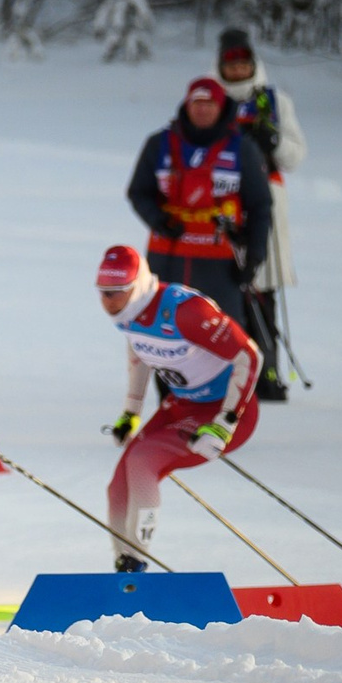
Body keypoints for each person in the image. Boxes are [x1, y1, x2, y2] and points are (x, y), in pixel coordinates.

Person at [94, 243, 260, 568]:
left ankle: (137, 562)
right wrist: (131, 413)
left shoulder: (185, 311)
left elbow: (249, 354)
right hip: (183, 405)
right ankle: (124, 568)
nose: (107, 301)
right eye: (102, 292)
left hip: (226, 411)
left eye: (116, 292)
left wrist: (225, 423)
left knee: (143, 462)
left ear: (137, 285)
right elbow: (141, 351)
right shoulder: (130, 313)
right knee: (119, 485)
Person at [126, 75, 272, 333]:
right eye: (197, 103)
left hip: (220, 263)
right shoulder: (159, 144)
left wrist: (255, 255)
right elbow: (138, 192)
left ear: (221, 107)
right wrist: (158, 220)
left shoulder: (242, 149)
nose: (202, 109)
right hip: (167, 258)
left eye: (210, 104)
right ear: (187, 105)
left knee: (220, 334)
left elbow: (260, 206)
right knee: (164, 332)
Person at [215, 29, 305, 401]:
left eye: (243, 63)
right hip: (223, 203)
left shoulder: (275, 101)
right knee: (225, 290)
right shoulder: (211, 101)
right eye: (231, 63)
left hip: (265, 201)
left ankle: (266, 371)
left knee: (262, 290)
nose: (237, 70)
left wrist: (274, 141)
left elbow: (296, 155)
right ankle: (227, 374)